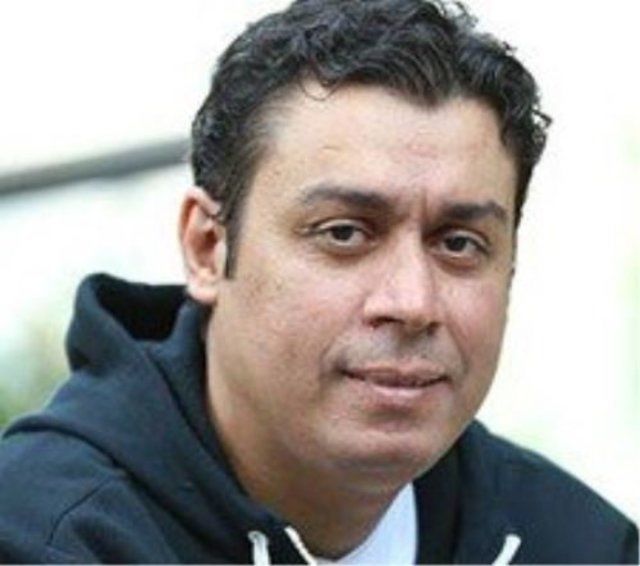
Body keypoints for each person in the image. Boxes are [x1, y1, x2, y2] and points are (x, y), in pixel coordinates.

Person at [0, 0, 637, 563]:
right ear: (207, 247)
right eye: (345, 233)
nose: (413, 303)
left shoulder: (582, 546)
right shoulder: (42, 537)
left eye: (459, 244)